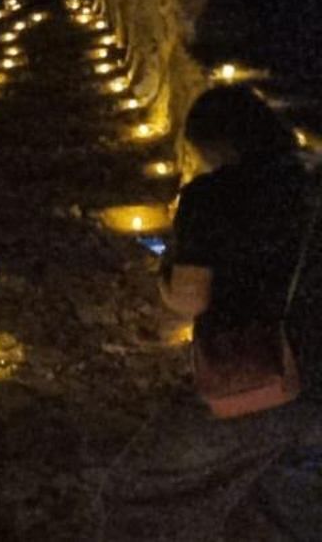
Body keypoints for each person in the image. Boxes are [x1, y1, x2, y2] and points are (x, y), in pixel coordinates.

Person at [97, 85, 322, 540]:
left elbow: (190, 297)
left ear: (215, 145)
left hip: (261, 378)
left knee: (135, 489)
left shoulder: (212, 196)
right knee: (283, 497)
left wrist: (164, 277)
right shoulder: (315, 182)